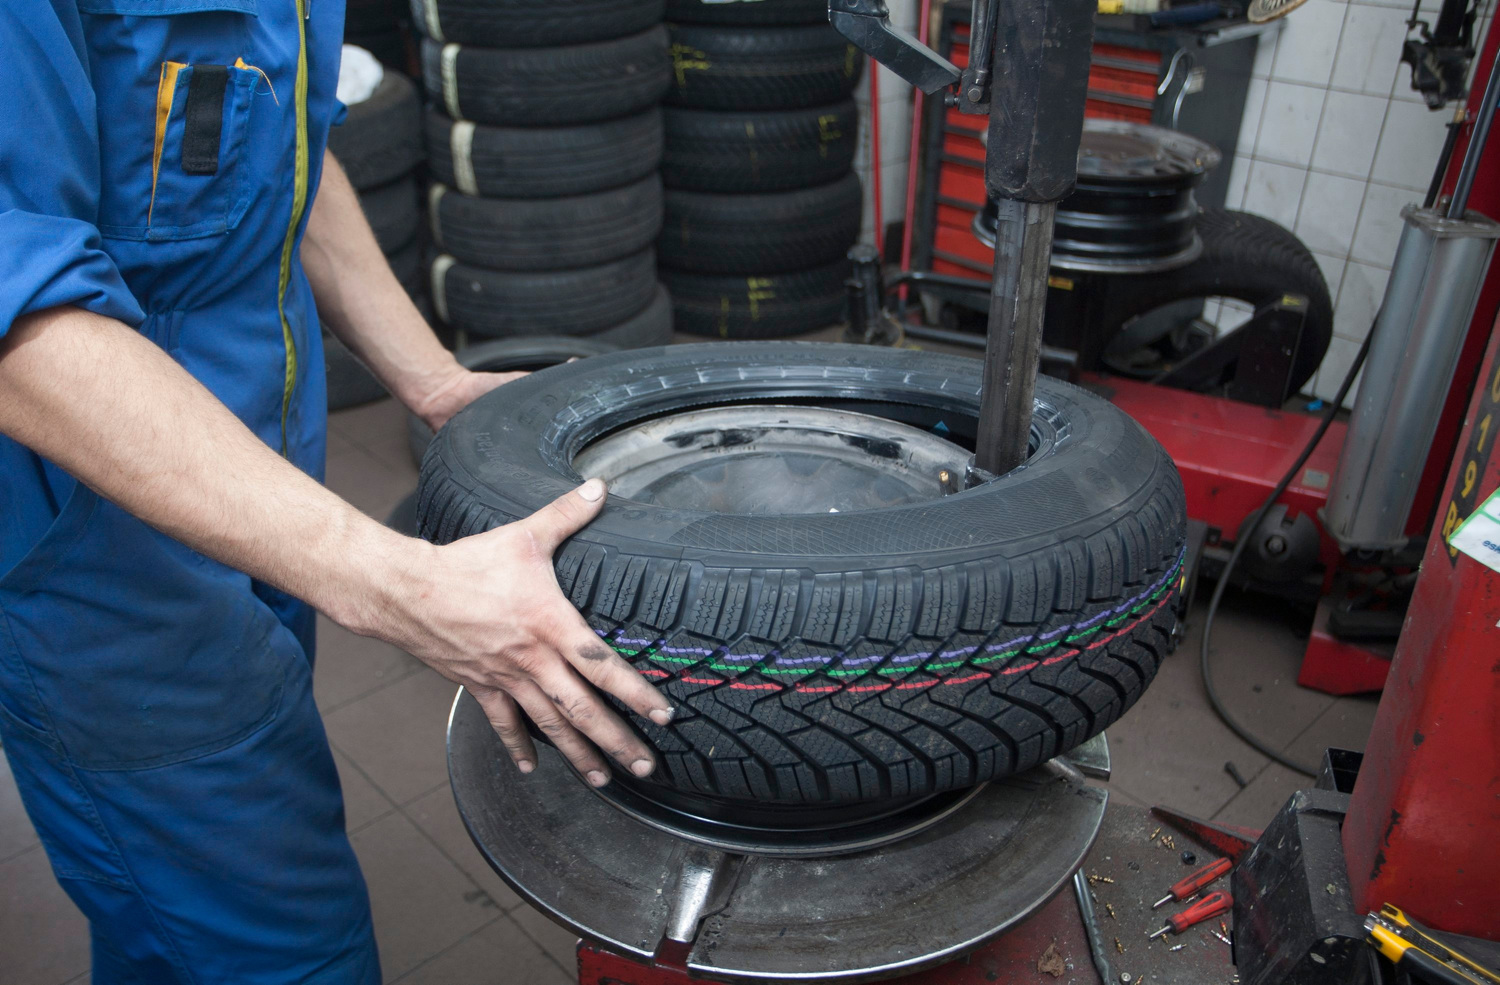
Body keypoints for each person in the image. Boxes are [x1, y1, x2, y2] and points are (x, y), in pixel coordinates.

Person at [0, 2, 672, 981]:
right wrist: (396, 583)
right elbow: (19, 321)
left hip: (265, 497)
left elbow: (278, 154)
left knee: (176, 920)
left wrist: (433, 380)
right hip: (100, 561)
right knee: (288, 945)